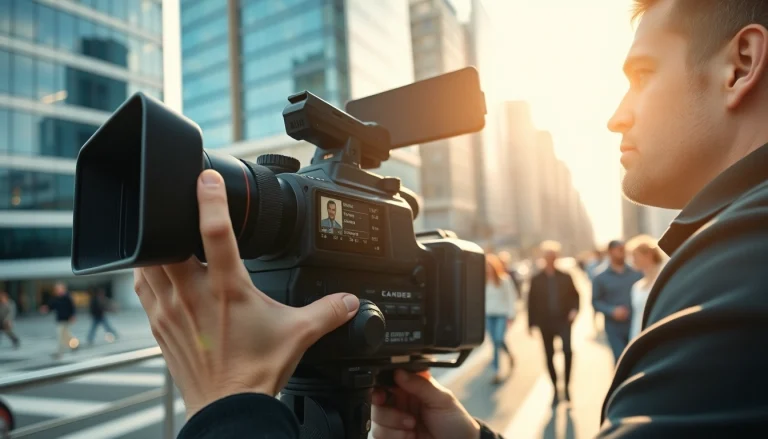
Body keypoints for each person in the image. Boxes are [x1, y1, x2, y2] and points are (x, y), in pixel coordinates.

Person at [527, 240, 580, 405]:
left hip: (563, 320)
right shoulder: (536, 279)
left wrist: (574, 310)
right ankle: (556, 389)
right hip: (545, 322)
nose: (550, 259)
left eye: (553, 256)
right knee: (549, 355)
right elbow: (531, 302)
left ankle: (567, 387)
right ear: (543, 258)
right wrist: (530, 324)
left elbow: (576, 296)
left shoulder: (565, 276)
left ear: (557, 257)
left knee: (567, 352)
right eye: (547, 256)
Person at [591, 240, 642, 363]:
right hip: (614, 327)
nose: (622, 253)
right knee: (620, 359)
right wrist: (611, 311)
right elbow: (595, 302)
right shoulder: (600, 277)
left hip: (635, 323)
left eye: (623, 250)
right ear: (610, 252)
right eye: (619, 250)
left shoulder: (636, 273)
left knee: (636, 359)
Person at [484, 253, 518, 384]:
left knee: (498, 339)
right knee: (495, 342)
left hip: (501, 314)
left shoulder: (504, 280)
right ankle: (500, 366)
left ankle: (496, 369)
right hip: (488, 315)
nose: (488, 269)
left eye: (490, 266)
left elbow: (511, 298)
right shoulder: (483, 281)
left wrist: (511, 315)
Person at [626, 235, 665, 340]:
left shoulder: (665, 278)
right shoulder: (636, 287)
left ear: (648, 255)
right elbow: (637, 318)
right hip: (641, 337)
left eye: (635, 255)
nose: (632, 260)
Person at [40, 282, 77, 358]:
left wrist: (73, 316)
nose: (58, 290)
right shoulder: (56, 298)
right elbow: (51, 306)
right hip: (60, 320)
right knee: (66, 335)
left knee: (61, 336)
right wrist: (46, 308)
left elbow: (72, 307)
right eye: (57, 289)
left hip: (66, 319)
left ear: (63, 289)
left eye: (59, 289)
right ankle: (75, 344)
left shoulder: (68, 297)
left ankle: (59, 353)